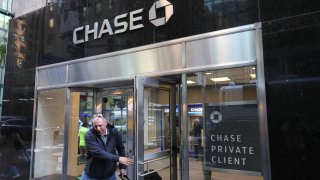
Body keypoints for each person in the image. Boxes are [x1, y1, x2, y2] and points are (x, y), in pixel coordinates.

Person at [81, 115, 133, 180]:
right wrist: (118, 158)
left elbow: (121, 148)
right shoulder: (89, 135)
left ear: (106, 124)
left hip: (109, 175)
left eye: (100, 125)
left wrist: (122, 167)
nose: (98, 128)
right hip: (91, 175)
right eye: (95, 126)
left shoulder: (114, 132)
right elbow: (97, 152)